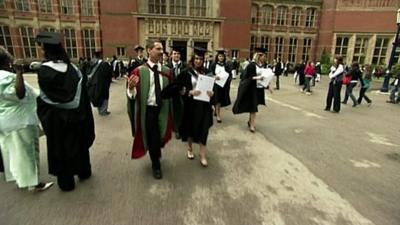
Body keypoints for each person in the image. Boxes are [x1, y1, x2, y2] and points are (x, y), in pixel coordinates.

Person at [36, 31, 95, 191]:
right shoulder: (73, 69)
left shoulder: (44, 71)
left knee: (61, 148)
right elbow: (82, 98)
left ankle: (67, 182)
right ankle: (84, 171)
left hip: (58, 120)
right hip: (77, 117)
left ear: (46, 49)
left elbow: (45, 99)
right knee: (79, 144)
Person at [0, 46, 53, 191]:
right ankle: (34, 184)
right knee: (28, 152)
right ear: (6, 60)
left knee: (13, 151)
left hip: (4, 120)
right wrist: (18, 73)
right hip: (20, 121)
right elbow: (20, 93)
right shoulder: (8, 77)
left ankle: (20, 179)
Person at [127, 39, 173, 179]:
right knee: (152, 138)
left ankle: (156, 152)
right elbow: (132, 96)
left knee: (161, 135)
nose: (161, 52)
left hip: (163, 109)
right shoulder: (139, 71)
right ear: (149, 50)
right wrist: (131, 88)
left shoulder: (166, 71)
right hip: (149, 111)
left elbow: (171, 91)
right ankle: (156, 165)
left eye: (162, 49)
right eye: (158, 49)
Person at [173, 47, 214, 167]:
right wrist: (190, 92)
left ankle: (202, 154)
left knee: (204, 129)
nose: (198, 61)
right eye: (196, 58)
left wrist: (212, 94)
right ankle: (190, 148)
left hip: (204, 106)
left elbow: (212, 89)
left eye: (201, 59)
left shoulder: (207, 73)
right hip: (191, 106)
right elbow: (178, 88)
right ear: (192, 59)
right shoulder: (186, 72)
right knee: (191, 128)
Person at [232, 47, 268, 133]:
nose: (265, 57)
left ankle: (250, 121)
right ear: (259, 56)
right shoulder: (252, 65)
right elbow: (249, 77)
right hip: (251, 89)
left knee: (254, 106)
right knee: (253, 107)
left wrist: (268, 85)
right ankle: (252, 124)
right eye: (263, 56)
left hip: (259, 88)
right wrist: (259, 77)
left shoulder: (262, 65)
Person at [167, 46, 187, 139]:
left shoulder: (185, 66)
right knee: (173, 111)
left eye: (178, 54)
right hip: (172, 93)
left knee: (183, 111)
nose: (176, 55)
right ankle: (174, 129)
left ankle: (180, 129)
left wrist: (185, 88)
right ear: (171, 55)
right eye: (175, 53)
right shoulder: (167, 66)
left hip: (183, 93)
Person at [87, 51, 113, 116]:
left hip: (95, 83)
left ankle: (100, 110)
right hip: (103, 84)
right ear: (100, 56)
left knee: (98, 96)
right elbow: (109, 74)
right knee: (104, 96)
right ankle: (103, 111)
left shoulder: (93, 63)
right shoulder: (104, 64)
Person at [210, 49, 232, 123]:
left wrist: (227, 78)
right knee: (216, 99)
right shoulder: (213, 64)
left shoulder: (226, 65)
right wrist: (214, 76)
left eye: (222, 56)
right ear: (217, 57)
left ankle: (217, 112)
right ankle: (218, 115)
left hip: (223, 85)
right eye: (220, 56)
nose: (221, 57)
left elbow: (229, 74)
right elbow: (210, 74)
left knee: (219, 100)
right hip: (215, 85)